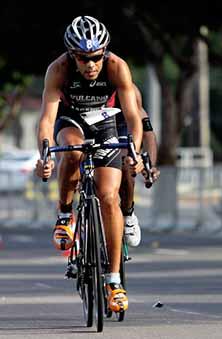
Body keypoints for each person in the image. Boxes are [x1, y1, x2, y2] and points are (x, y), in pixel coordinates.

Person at [35, 15, 143, 313]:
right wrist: (44, 156)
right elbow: (46, 120)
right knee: (71, 150)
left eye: (96, 57)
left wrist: (134, 150)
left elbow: (133, 117)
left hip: (107, 124)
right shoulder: (58, 70)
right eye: (83, 59)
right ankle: (65, 215)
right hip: (72, 121)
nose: (91, 65)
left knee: (109, 198)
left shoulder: (116, 67)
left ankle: (113, 281)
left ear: (104, 53)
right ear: (73, 56)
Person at [116, 83, 160, 247]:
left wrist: (151, 165)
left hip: (123, 131)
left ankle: (128, 214)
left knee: (126, 163)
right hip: (92, 131)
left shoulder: (129, 90)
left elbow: (148, 134)